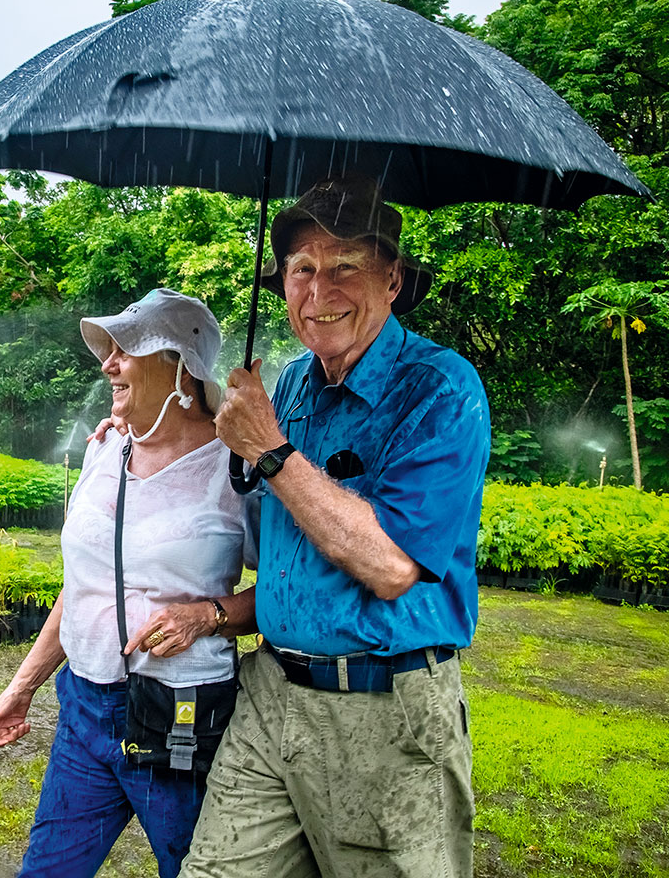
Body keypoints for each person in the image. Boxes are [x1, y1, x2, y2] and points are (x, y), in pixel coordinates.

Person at [177, 174, 491, 877]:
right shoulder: (287, 386)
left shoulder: (439, 389)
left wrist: (269, 449)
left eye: (346, 266)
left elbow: (389, 566)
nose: (320, 293)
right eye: (302, 270)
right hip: (270, 697)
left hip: (385, 714)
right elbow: (282, 550)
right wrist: (149, 432)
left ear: (393, 279)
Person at [0, 288, 257, 878]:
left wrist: (206, 615)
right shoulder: (105, 450)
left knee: (195, 871)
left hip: (178, 716)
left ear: (181, 366)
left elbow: (291, 590)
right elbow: (83, 589)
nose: (108, 364)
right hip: (84, 708)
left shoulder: (238, 468)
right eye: (108, 349)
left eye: (126, 349)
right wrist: (23, 686)